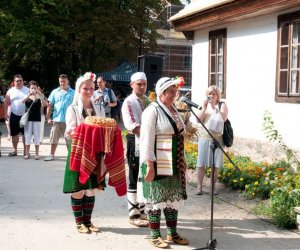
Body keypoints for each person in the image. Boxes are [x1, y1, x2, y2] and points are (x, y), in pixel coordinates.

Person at [137, 77, 189, 248]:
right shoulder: (152, 111)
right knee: (155, 197)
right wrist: (149, 164)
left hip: (173, 161)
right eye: (171, 92)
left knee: (171, 197)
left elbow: (179, 136)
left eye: (175, 91)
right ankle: (155, 235)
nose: (174, 95)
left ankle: (172, 233)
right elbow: (146, 139)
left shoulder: (173, 108)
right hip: (156, 161)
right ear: (161, 93)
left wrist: (183, 160)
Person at [63, 72, 105, 233]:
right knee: (78, 188)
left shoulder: (98, 108)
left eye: (91, 88)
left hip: (94, 152)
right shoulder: (72, 108)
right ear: (79, 89)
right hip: (79, 152)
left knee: (91, 187)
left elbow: (102, 127)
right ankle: (79, 222)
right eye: (85, 88)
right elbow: (70, 131)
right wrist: (87, 131)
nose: (88, 91)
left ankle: (88, 221)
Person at [121, 72, 148, 227]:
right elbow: (132, 125)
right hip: (135, 141)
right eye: (139, 84)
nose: (142, 87)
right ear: (132, 84)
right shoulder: (129, 102)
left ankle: (142, 210)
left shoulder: (146, 100)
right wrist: (148, 134)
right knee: (134, 175)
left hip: (146, 141)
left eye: (144, 84)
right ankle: (133, 214)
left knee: (144, 175)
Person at [195, 85, 228, 195]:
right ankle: (199, 187)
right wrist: (204, 108)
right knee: (201, 164)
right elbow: (198, 120)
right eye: (209, 93)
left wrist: (214, 107)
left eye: (213, 94)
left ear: (217, 95)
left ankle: (212, 187)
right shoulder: (203, 104)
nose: (211, 96)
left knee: (215, 165)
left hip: (217, 139)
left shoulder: (222, 105)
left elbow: (223, 118)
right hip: (204, 138)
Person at [44, 74, 75, 161]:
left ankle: (70, 158)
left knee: (69, 139)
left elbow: (76, 106)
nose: (62, 83)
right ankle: (51, 155)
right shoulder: (54, 92)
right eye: (61, 81)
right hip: (56, 119)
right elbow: (50, 105)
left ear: (68, 81)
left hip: (69, 120)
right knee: (53, 138)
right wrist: (48, 117)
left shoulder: (73, 93)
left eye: (64, 81)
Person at [4, 74, 29, 157]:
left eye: (20, 80)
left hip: (25, 115)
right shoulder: (10, 91)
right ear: (14, 82)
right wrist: (5, 113)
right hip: (14, 115)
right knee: (14, 134)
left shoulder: (28, 90)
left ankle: (26, 152)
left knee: (25, 134)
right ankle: (15, 151)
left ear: (23, 81)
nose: (19, 82)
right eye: (17, 81)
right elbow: (5, 103)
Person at [22, 81, 47, 160]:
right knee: (27, 136)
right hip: (28, 119)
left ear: (37, 88)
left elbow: (45, 104)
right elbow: (22, 101)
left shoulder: (40, 96)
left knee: (37, 136)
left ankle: (37, 153)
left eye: (34, 88)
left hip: (37, 119)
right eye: (32, 88)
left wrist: (40, 96)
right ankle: (27, 153)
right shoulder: (26, 96)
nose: (33, 89)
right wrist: (29, 94)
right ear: (29, 89)